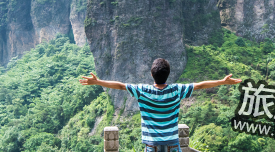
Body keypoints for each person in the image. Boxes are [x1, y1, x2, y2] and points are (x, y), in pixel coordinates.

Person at [79, 58, 242, 152]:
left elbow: (120, 85)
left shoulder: (143, 91)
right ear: (168, 74)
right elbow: (200, 85)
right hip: (172, 143)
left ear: (152, 74)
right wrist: (222, 81)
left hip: (152, 145)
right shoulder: (176, 90)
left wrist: (98, 82)